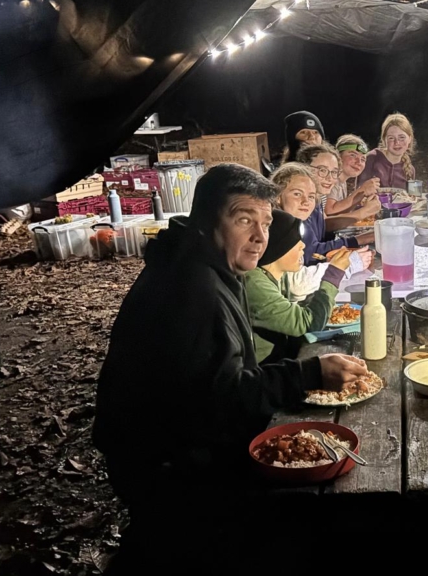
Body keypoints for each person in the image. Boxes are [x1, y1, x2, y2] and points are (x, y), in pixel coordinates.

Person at [92, 164, 367, 572]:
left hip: (172, 444)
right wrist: (307, 374)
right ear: (206, 221)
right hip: (162, 462)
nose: (260, 237)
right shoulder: (192, 289)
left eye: (266, 222)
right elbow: (219, 397)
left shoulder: (209, 264)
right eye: (243, 220)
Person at [245, 210, 352, 363]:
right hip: (265, 369)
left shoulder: (278, 275)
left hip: (282, 358)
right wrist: (333, 274)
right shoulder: (255, 284)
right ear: (279, 248)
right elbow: (308, 324)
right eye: (295, 241)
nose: (303, 246)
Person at [268, 163, 371, 302]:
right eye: (297, 194)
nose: (305, 201)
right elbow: (296, 285)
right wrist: (348, 265)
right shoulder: (273, 229)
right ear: (278, 197)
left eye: (311, 196)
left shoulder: (292, 225)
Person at [297, 142, 379, 224]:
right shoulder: (298, 198)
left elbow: (323, 222)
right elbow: (327, 221)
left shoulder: (318, 195)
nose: (329, 178)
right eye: (322, 170)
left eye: (334, 172)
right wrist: (363, 211)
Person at [357, 113, 416, 189]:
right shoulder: (371, 159)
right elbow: (358, 193)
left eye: (401, 137)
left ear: (410, 139)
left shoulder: (410, 170)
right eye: (391, 138)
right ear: (384, 140)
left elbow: (411, 199)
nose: (397, 142)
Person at [328, 134, 380, 216]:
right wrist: (362, 191)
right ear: (337, 156)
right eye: (353, 155)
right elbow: (330, 211)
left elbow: (342, 211)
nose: (358, 162)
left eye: (363, 159)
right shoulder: (331, 179)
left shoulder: (343, 182)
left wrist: (361, 200)